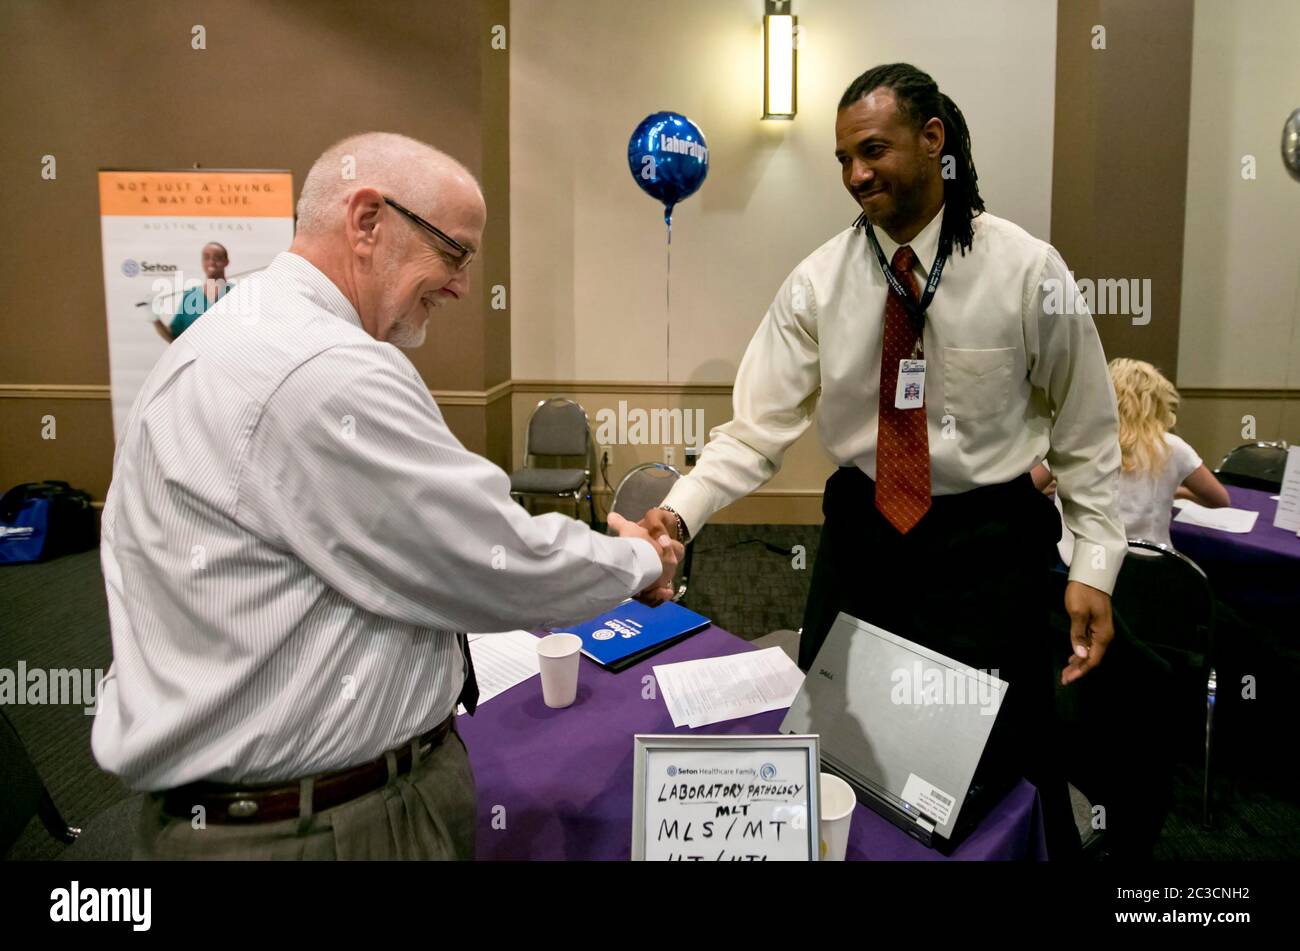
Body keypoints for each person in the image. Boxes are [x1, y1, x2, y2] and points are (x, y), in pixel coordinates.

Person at [93, 132, 681, 860]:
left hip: (241, 811)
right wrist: (638, 561)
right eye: (455, 252)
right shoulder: (324, 367)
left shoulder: (222, 337)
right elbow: (492, 557)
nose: (463, 285)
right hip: (323, 828)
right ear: (368, 219)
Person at [640, 63, 1128, 858]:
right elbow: (754, 430)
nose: (855, 174)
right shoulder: (817, 283)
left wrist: (1095, 565)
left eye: (872, 150)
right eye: (843, 160)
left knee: (999, 772)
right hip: (864, 538)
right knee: (838, 749)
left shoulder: (1028, 271)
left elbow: (1087, 429)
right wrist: (678, 512)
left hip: (990, 547)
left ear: (933, 141)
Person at [153, 242, 234, 342]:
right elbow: (174, 338)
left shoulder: (237, 293)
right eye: (206, 257)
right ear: (202, 262)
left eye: (217, 257)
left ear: (226, 261)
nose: (211, 262)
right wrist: (154, 318)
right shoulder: (190, 296)